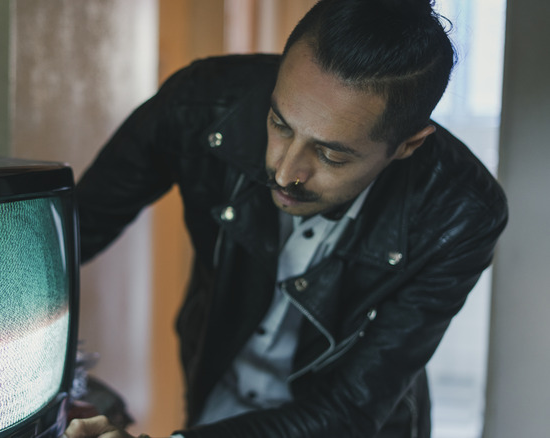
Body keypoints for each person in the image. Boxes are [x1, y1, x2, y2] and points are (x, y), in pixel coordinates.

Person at [65, 0, 508, 436]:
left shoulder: (463, 214)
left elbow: (350, 410)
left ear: (408, 145)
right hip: (218, 405)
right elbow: (73, 233)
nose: (283, 170)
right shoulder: (198, 105)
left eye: (331, 154)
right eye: (279, 123)